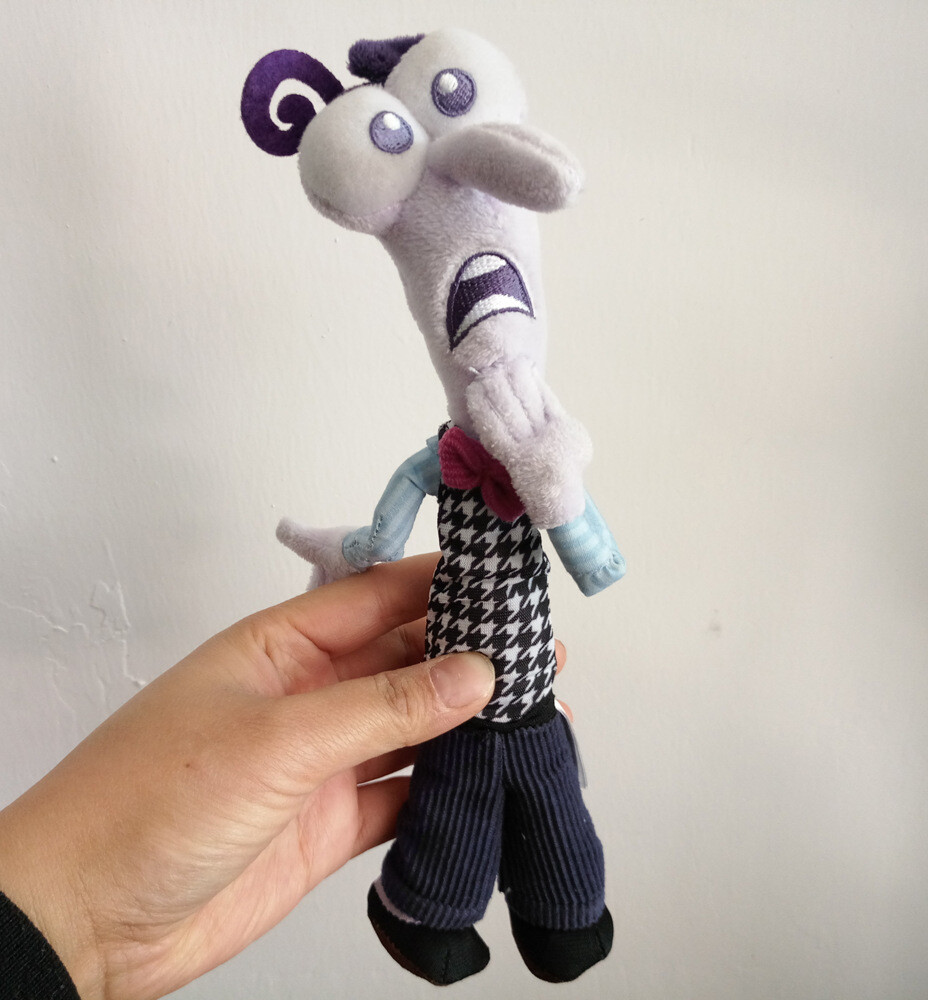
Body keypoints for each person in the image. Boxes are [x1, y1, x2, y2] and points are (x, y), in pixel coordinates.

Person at [0, 553, 566, 1000]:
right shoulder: (454, 476)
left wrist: (89, 933)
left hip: (528, 708)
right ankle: (434, 915)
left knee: (542, 805)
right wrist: (90, 928)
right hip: (479, 720)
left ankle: (562, 911)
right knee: (464, 805)